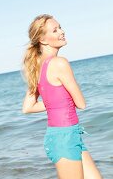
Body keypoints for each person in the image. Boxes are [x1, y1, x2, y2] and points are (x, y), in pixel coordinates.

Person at [22, 14, 102, 179]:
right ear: (43, 39)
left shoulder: (36, 67)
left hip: (66, 135)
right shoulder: (60, 63)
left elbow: (28, 107)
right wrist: (58, 102)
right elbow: (81, 103)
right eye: (55, 30)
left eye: (60, 27)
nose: (62, 31)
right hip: (65, 137)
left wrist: (55, 103)